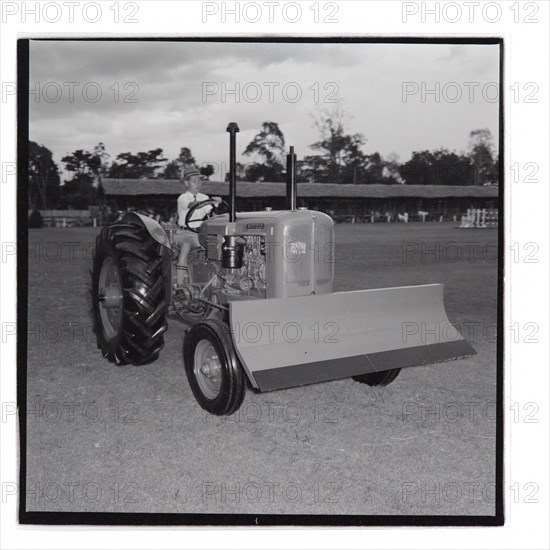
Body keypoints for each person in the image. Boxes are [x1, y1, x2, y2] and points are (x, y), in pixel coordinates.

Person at [174, 166, 221, 287]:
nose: (198, 184)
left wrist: (215, 203)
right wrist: (209, 201)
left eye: (199, 181)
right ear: (186, 183)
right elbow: (192, 205)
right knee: (185, 245)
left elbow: (211, 213)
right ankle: (179, 285)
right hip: (184, 234)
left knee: (217, 247)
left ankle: (215, 282)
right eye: (194, 181)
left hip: (200, 234)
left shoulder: (204, 197)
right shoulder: (183, 198)